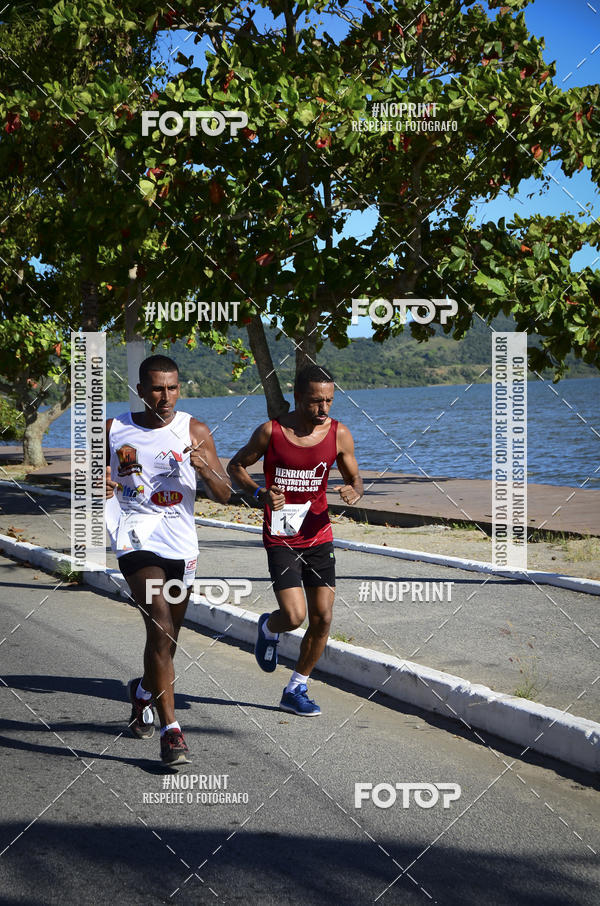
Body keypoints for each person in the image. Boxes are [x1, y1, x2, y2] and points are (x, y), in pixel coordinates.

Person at [105, 354, 230, 765]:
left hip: (181, 546)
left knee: (168, 637)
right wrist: (98, 485)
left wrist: (205, 469)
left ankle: (142, 691)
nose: (165, 396)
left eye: (172, 388)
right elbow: (86, 478)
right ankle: (171, 731)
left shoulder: (193, 430)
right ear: (141, 391)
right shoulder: (114, 429)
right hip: (135, 537)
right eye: (157, 388)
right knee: (159, 620)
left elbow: (225, 494)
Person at [227, 363, 363, 716]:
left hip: (319, 534)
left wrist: (353, 491)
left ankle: (296, 688)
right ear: (298, 396)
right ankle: (269, 627)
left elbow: (355, 478)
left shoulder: (339, 434)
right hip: (281, 536)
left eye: (329, 401)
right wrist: (259, 493)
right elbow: (236, 466)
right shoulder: (271, 432)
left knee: (323, 618)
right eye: (316, 401)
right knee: (294, 615)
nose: (323, 409)